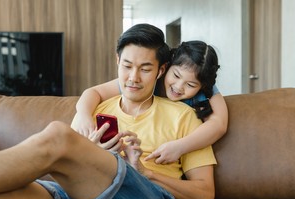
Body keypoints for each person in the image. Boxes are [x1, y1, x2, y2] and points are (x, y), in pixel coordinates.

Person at [0, 23, 216, 199]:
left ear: (161, 71)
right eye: (127, 66)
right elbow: (67, 168)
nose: (133, 78)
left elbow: (204, 195)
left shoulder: (184, 116)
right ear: (117, 61)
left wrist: (145, 173)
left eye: (145, 69)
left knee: (58, 134)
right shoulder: (97, 109)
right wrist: (90, 154)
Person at [71, 40, 228, 164]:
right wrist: (83, 115)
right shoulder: (148, 81)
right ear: (165, 68)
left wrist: (180, 147)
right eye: (176, 76)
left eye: (191, 85)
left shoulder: (204, 89)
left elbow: (219, 124)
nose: (179, 87)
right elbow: (93, 92)